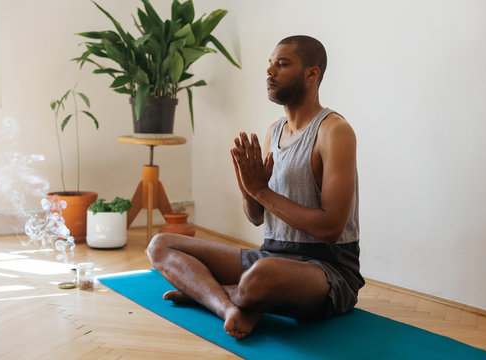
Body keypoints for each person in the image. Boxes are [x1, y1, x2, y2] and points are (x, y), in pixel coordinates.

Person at [147, 35, 364, 340]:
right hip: (272, 256)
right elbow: (257, 217)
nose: (270, 72)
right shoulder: (274, 131)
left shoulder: (334, 131)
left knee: (261, 276)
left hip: (327, 269)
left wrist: (261, 190)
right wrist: (247, 186)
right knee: (160, 245)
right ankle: (229, 306)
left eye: (282, 64)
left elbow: (330, 227)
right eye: (270, 64)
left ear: (312, 74)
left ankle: (209, 292)